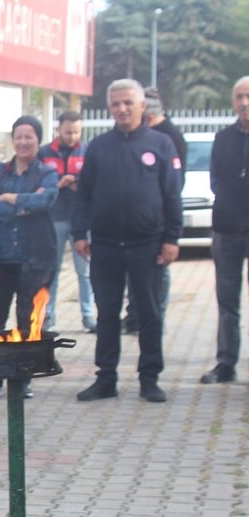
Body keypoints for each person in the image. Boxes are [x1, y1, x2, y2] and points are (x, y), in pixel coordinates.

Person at [73, 78, 182, 403]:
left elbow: (172, 196)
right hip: (105, 245)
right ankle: (106, 378)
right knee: (107, 314)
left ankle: (150, 378)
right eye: (116, 104)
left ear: (142, 106)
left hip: (147, 245)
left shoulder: (161, 145)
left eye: (128, 103)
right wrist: (79, 234)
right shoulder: (98, 146)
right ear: (109, 108)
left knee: (149, 313)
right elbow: (84, 195)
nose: (122, 109)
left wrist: (172, 239)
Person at [0, 116, 59, 401]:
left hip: (35, 259)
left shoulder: (47, 172)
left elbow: (46, 200)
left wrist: (10, 198)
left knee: (29, 320)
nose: (24, 142)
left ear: (38, 139)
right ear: (13, 140)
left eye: (30, 137)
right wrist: (24, 204)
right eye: (19, 137)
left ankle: (23, 378)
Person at [124, 86, 187, 331]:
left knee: (159, 271)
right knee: (134, 273)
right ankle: (134, 316)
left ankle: (156, 316)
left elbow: (175, 183)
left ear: (147, 113)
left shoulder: (169, 137)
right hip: (133, 221)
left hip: (158, 218)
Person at [200, 76, 249, 385]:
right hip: (228, 229)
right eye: (239, 97)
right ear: (232, 102)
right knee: (227, 302)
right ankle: (226, 363)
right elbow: (215, 181)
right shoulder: (223, 138)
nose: (244, 102)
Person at [40, 111, 95, 333]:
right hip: (53, 218)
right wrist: (58, 184)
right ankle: (48, 315)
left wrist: (78, 183)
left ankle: (88, 315)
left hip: (82, 220)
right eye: (68, 132)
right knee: (51, 270)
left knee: (85, 271)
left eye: (76, 132)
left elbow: (95, 180)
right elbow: (38, 181)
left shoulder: (88, 151)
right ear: (58, 130)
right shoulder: (44, 153)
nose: (72, 136)